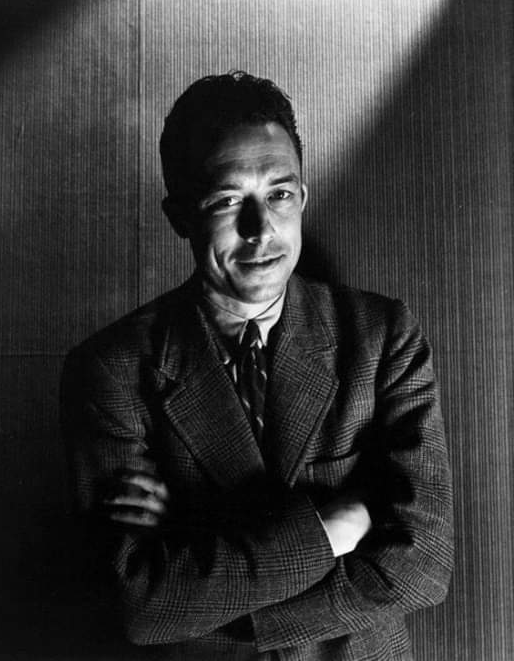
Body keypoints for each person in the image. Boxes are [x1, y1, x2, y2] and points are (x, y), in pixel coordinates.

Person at [60, 71, 453, 661]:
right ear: (180, 215)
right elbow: (140, 605)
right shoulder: (112, 369)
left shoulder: (382, 337)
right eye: (227, 201)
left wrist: (202, 590)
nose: (260, 229)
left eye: (280, 194)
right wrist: (332, 530)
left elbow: (422, 567)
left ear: (303, 198)